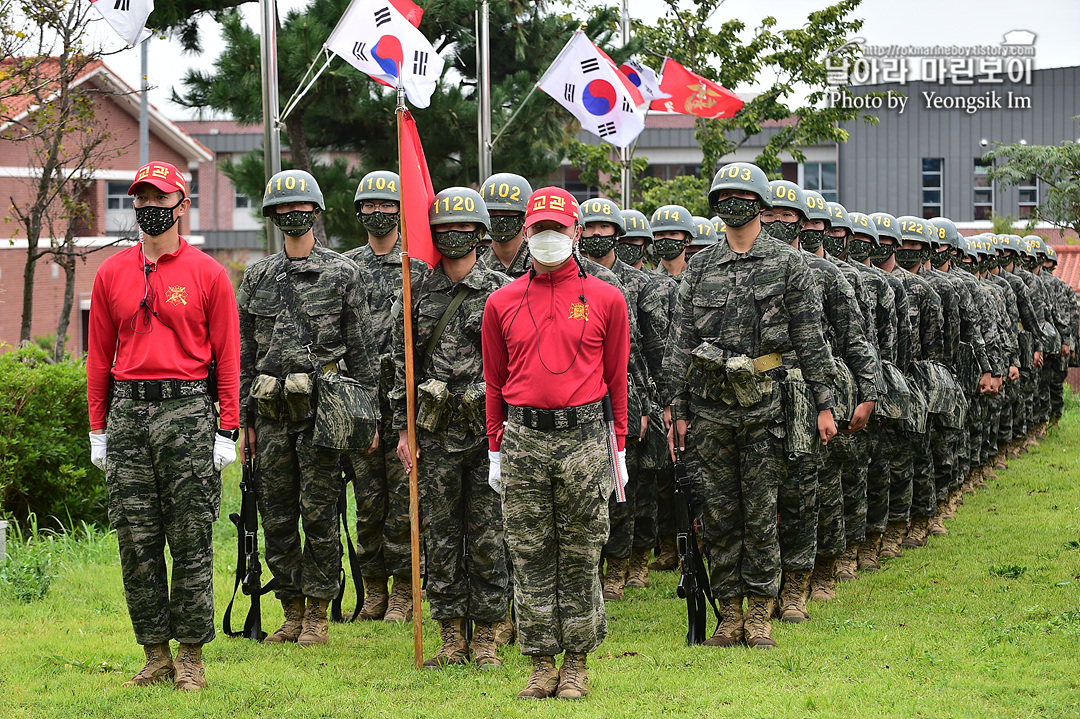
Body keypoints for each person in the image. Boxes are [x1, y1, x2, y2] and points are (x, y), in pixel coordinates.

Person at [663, 162, 837, 649]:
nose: (731, 205)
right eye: (723, 197)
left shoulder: (787, 264)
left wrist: (824, 404)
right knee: (719, 514)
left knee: (761, 512)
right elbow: (680, 342)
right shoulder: (699, 266)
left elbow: (810, 338)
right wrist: (673, 407)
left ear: (760, 204)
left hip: (765, 408)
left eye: (741, 196)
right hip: (710, 408)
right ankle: (730, 612)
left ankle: (760, 612)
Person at [87, 160, 240, 690]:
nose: (151, 208)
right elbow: (98, 356)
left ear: (183, 204)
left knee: (191, 534)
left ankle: (192, 655)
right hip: (129, 412)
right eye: (142, 199)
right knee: (136, 539)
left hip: (188, 412)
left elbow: (227, 356)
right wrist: (97, 428)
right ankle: (155, 653)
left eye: (161, 199)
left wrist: (227, 429)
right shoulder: (111, 273)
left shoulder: (208, 274)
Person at [482, 186, 629, 700]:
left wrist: (621, 447)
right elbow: (494, 381)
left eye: (558, 229)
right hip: (524, 439)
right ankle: (542, 661)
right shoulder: (500, 302)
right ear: (526, 232)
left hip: (586, 438)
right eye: (539, 229)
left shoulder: (607, 298)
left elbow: (616, 378)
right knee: (529, 552)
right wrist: (496, 446)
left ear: (577, 232)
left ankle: (577, 663)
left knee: (582, 551)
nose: (549, 238)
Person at [237, 169, 380, 647]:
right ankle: (292, 608)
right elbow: (243, 354)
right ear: (273, 215)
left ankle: (318, 612)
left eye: (301, 207)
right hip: (271, 415)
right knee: (276, 516)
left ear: (316, 212)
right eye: (284, 208)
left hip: (323, 416)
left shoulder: (343, 272)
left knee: (319, 513)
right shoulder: (256, 277)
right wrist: (244, 423)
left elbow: (361, 351)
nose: (293, 214)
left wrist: (368, 417)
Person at [392, 187, 510, 669]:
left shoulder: (505, 290)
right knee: (439, 536)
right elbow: (403, 365)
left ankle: (485, 636)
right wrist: (404, 429)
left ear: (480, 233)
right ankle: (449, 636)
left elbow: (515, 365)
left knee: (487, 536)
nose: (453, 236)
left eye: (463, 228)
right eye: (443, 229)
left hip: (487, 435)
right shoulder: (415, 289)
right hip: (435, 435)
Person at [342, 170, 425, 623]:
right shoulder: (346, 267)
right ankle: (373, 588)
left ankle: (403, 591)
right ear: (359, 211)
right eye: (370, 205)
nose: (378, 212)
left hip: (402, 408)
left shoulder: (417, 266)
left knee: (404, 503)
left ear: (400, 210)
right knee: (369, 503)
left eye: (387, 205)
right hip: (358, 409)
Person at [480, 173, 534, 278]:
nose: (499, 218)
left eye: (507, 211)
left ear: (523, 215)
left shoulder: (540, 265)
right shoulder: (475, 269)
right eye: (492, 211)